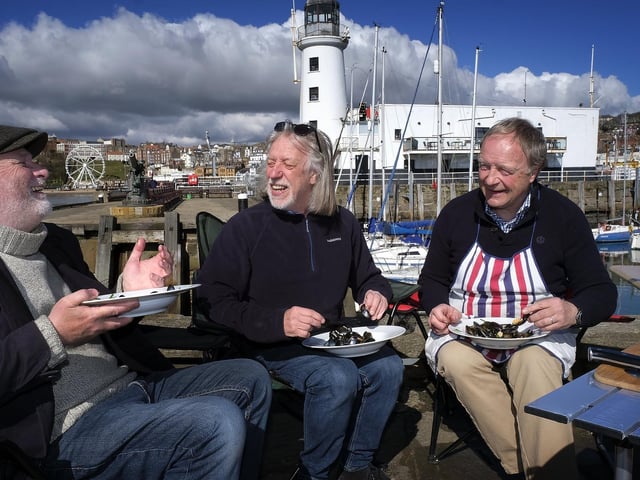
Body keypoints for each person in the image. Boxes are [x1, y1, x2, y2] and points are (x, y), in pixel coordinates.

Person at [0, 125, 272, 480]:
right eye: (24, 163)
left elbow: (97, 314)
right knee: (214, 424)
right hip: (64, 431)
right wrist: (52, 335)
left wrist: (128, 290)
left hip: (130, 385)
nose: (43, 170)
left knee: (250, 377)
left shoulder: (57, 244)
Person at [195, 121, 404, 480]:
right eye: (271, 162)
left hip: (332, 339)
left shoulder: (343, 224)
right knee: (337, 379)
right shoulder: (246, 227)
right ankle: (315, 472)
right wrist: (278, 321)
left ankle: (357, 464)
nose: (274, 174)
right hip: (269, 343)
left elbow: (368, 275)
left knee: (389, 367)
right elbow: (210, 300)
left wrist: (376, 292)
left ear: (314, 174)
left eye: (287, 165)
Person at [419, 117, 617, 479]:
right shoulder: (457, 214)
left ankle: (550, 473)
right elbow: (431, 279)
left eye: (505, 170)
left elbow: (602, 293)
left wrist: (572, 310)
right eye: (483, 165)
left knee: (533, 365)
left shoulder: (563, 217)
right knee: (458, 363)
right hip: (464, 331)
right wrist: (437, 306)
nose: (490, 179)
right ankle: (526, 466)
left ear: (534, 171)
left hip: (537, 335)